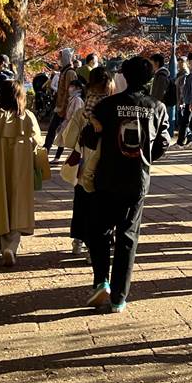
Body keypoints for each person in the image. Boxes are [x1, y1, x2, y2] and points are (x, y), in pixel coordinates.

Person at [81, 55, 170, 314]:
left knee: (99, 231)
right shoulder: (157, 107)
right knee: (128, 237)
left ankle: (101, 281)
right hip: (137, 179)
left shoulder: (107, 106)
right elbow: (164, 142)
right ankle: (119, 296)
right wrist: (145, 157)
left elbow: (88, 139)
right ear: (149, 79)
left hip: (106, 177)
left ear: (124, 76)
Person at [0, 79, 42, 266]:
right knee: (17, 207)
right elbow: (38, 144)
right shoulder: (28, 117)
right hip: (22, 171)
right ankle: (10, 248)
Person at [61, 67, 115, 256]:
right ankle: (97, 246)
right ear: (107, 83)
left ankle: (78, 240)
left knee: (82, 200)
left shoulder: (84, 106)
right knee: (101, 205)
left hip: (82, 159)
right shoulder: (108, 105)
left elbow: (69, 138)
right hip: (102, 162)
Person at [45, 49, 77, 155]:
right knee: (54, 130)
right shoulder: (64, 71)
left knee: (61, 131)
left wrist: (64, 108)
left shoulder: (70, 72)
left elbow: (70, 92)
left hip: (65, 107)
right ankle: (46, 150)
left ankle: (55, 154)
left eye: (60, 57)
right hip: (59, 106)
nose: (58, 59)